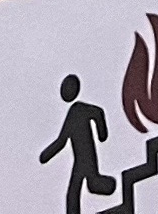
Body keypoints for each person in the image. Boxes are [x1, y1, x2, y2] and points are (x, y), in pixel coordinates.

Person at [39, 73, 119, 214]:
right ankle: (111, 185)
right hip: (81, 159)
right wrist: (46, 155)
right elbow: (62, 141)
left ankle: (112, 185)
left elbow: (98, 113)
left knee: (81, 188)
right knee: (81, 189)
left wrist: (102, 133)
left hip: (86, 158)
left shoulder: (79, 109)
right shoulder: (73, 114)